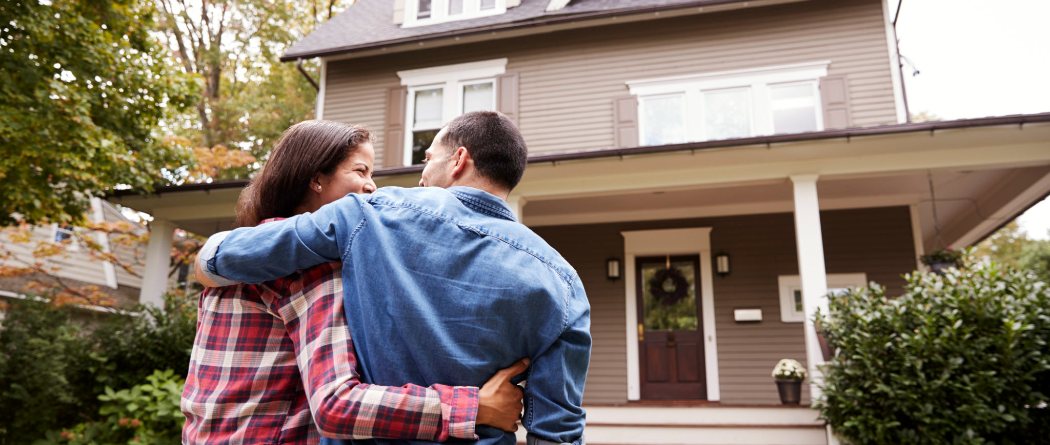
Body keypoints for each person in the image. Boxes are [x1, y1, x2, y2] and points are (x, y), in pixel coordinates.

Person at [196, 111, 591, 445]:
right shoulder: (564, 282)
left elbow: (228, 256)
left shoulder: (369, 214)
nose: (420, 177)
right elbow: (558, 429)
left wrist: (207, 259)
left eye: (427, 160)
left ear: (458, 160)